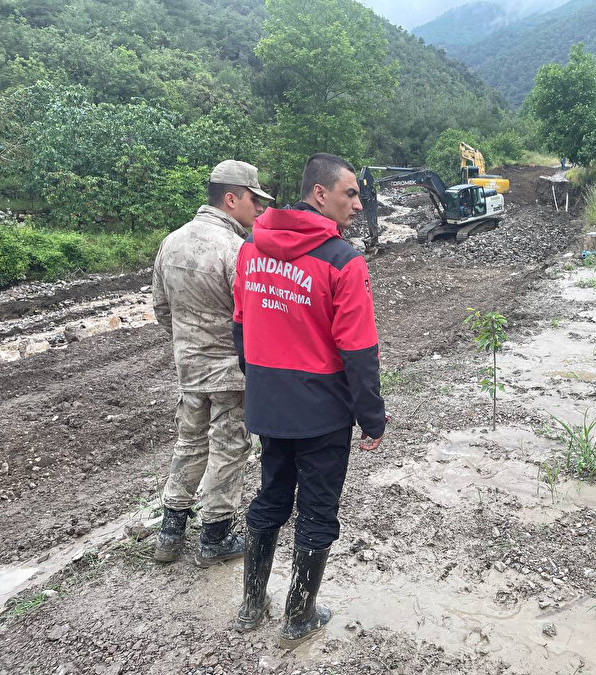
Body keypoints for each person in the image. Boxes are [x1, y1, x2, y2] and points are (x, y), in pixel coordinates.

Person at [230, 153, 386, 647]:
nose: (358, 204)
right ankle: (298, 616)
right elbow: (359, 349)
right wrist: (371, 417)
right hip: (321, 413)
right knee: (318, 512)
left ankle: (252, 606)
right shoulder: (343, 260)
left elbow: (241, 329)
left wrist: (260, 384)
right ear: (321, 194)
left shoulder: (251, 249)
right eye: (350, 193)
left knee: (271, 496)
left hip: (269, 405)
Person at [152, 160, 272, 566]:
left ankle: (170, 533)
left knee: (189, 443)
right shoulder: (237, 249)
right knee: (229, 447)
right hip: (229, 371)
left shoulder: (171, 242)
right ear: (231, 198)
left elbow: (161, 309)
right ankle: (215, 536)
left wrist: (188, 345)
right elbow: (252, 315)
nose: (258, 209)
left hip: (188, 368)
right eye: (254, 200)